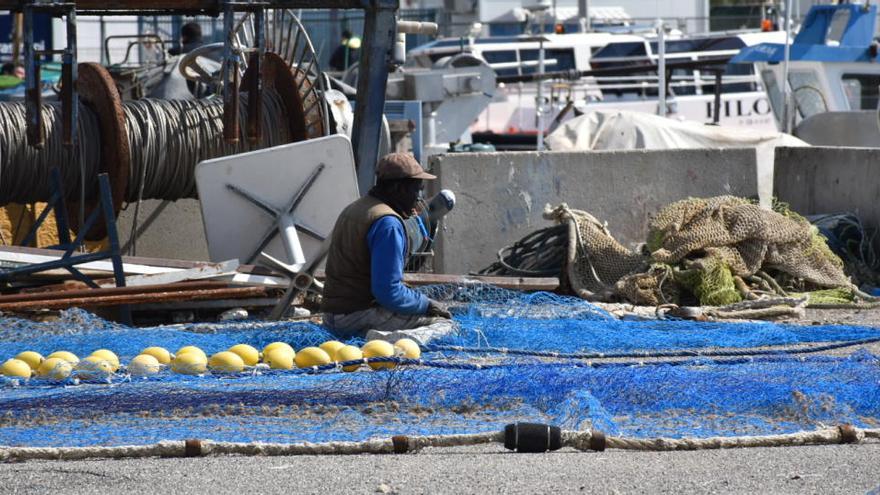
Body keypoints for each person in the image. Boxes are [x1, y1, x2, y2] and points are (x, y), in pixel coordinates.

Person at [322, 153, 454, 344]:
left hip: (332, 315)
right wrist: (426, 305)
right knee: (446, 325)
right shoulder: (388, 224)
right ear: (398, 188)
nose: (418, 200)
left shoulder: (356, 208)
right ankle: (382, 338)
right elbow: (388, 292)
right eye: (415, 191)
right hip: (357, 316)